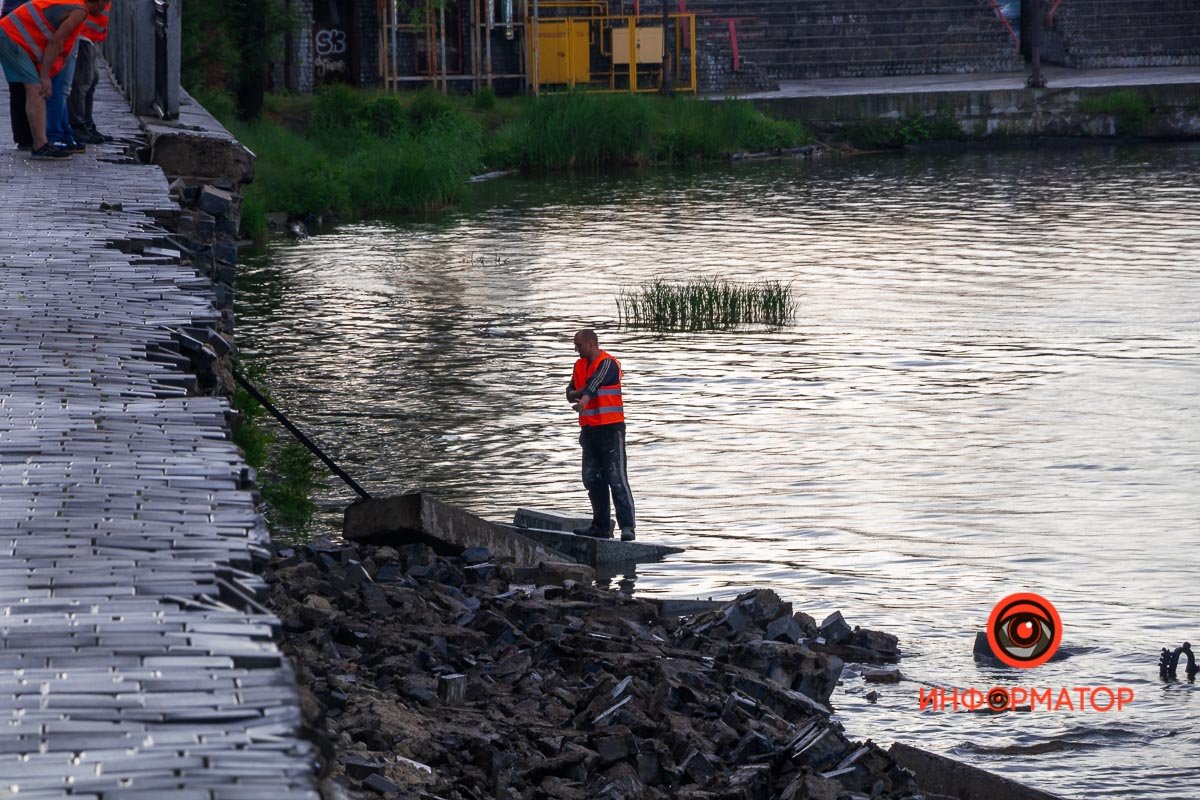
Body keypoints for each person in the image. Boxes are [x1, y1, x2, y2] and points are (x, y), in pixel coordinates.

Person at [0, 0, 102, 159]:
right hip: (12, 36)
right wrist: (45, 75)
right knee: (36, 89)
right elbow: (57, 41)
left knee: (34, 90)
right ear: (99, 2)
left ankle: (39, 143)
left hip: (11, 34)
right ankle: (40, 145)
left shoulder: (74, 4)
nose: (104, 10)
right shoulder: (80, 11)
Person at [566, 329, 636, 542]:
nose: (576, 349)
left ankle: (627, 527)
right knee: (592, 479)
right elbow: (569, 392)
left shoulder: (608, 363)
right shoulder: (579, 365)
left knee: (617, 479)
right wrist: (580, 393)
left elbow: (595, 383)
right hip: (589, 431)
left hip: (610, 429)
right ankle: (601, 526)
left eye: (578, 345)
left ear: (591, 344)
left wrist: (584, 396)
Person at [67, 0, 108, 143]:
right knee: (81, 82)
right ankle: (77, 126)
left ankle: (86, 124)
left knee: (91, 80)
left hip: (89, 36)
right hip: (82, 34)